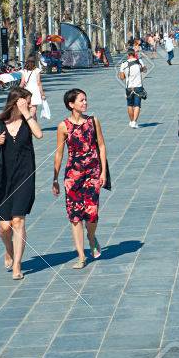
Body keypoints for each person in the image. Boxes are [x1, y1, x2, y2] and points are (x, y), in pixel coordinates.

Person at [0, 88, 43, 280]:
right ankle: (9, 250)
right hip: (2, 179)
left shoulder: (29, 120)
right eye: (28, 102)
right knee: (5, 227)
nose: (32, 105)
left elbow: (39, 135)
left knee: (18, 221)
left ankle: (17, 264)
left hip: (24, 177)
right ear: (17, 101)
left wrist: (27, 113)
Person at [52, 88, 108, 270]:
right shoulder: (63, 126)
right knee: (75, 216)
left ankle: (91, 237)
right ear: (71, 104)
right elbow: (59, 153)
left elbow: (101, 145)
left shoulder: (93, 121)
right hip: (72, 176)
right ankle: (81, 255)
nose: (85, 103)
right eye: (81, 100)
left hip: (92, 173)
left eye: (85, 100)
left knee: (92, 214)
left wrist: (103, 172)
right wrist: (55, 178)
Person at [117, 48, 147, 129]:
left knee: (130, 105)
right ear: (134, 54)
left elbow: (122, 77)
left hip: (129, 87)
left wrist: (122, 74)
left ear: (128, 55)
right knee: (137, 105)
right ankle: (134, 122)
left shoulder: (123, 64)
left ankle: (131, 121)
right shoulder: (139, 62)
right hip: (138, 86)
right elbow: (144, 70)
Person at [18, 55, 48, 121]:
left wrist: (17, 91)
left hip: (26, 92)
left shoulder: (24, 71)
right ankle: (32, 127)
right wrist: (42, 94)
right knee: (33, 112)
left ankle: (34, 127)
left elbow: (22, 83)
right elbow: (39, 83)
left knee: (30, 111)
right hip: (35, 92)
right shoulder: (37, 70)